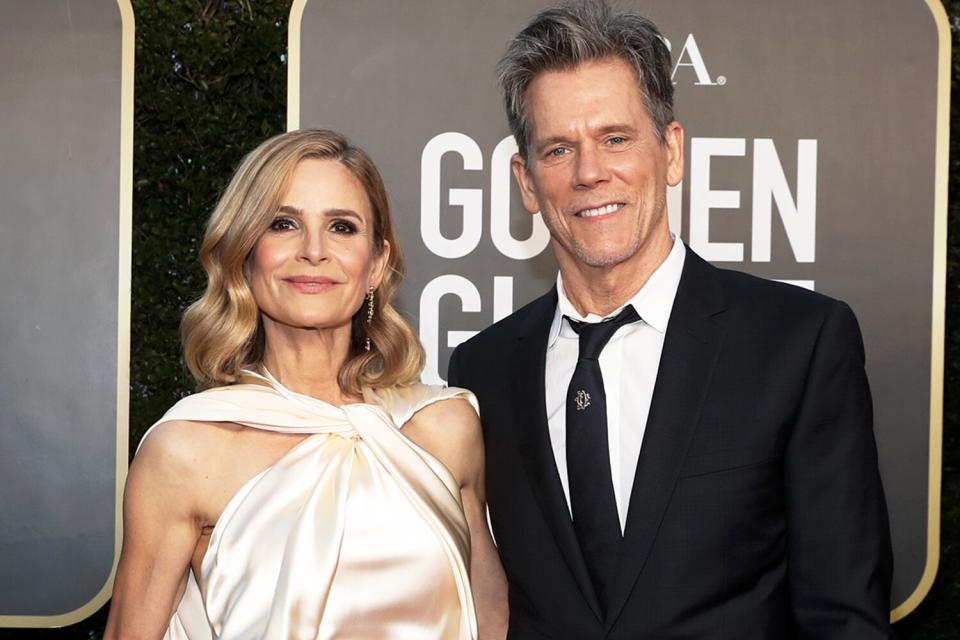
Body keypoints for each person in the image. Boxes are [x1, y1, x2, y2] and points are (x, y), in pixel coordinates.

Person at [447, 2, 894, 638]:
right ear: (525, 181)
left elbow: (842, 618)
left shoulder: (798, 343)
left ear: (672, 152)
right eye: (558, 149)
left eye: (615, 138)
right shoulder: (482, 370)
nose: (589, 172)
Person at [105, 129, 508, 640]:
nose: (314, 250)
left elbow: (489, 612)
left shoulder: (444, 429)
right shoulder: (186, 451)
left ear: (376, 266)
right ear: (245, 255)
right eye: (283, 224)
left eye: (341, 227)